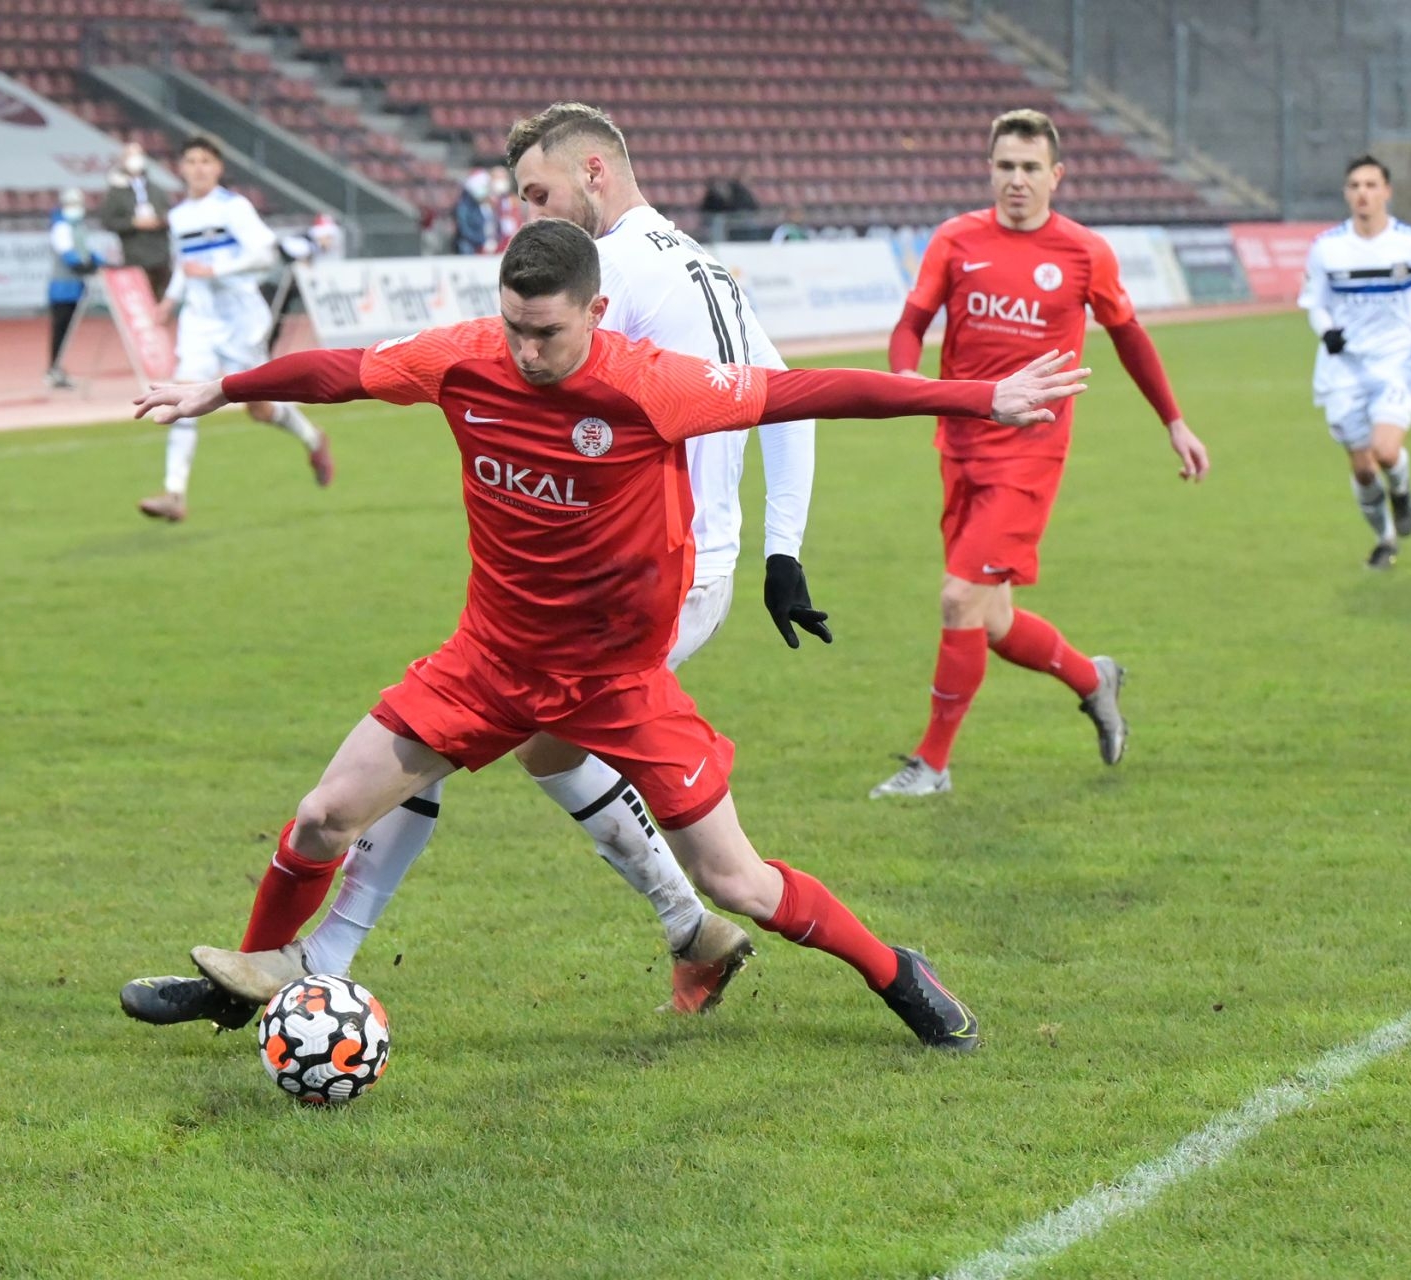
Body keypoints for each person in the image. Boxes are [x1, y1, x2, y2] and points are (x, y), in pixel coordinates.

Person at [121, 219, 1089, 1050]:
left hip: (617, 681)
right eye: (514, 325)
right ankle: (250, 978)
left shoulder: (653, 387)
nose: (526, 350)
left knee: (737, 881)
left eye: (546, 331)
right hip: (486, 663)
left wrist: (980, 397)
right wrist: (224, 387)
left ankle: (894, 970)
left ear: (596, 311)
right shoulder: (465, 357)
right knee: (324, 815)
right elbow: (344, 371)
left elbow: (817, 393)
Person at [121, 102, 830, 1029]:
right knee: (524, 745)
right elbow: (789, 397)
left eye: (537, 193)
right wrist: (782, 550)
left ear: (594, 172)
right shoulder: (697, 261)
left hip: (640, 576)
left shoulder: (603, 274)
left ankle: (299, 968)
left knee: (432, 746)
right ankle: (691, 929)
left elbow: (776, 396)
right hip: (671, 562)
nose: (527, 215)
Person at [870, 108, 1209, 800]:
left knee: (958, 598)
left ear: (1057, 175)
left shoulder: (1084, 253)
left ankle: (932, 765)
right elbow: (912, 322)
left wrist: (1174, 421)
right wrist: (906, 377)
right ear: (989, 170)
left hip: (1030, 456)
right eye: (1005, 166)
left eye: (1030, 168)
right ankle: (1094, 679)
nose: (1016, 180)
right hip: (960, 444)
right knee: (991, 620)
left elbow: (1130, 337)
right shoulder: (956, 239)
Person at [139, 135, 333, 523]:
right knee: (184, 394)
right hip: (199, 319)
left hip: (242, 320)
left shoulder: (234, 208)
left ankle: (313, 439)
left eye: (205, 161)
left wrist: (216, 270)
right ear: (181, 168)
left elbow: (263, 254)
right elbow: (185, 263)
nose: (198, 168)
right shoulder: (179, 216)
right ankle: (174, 493)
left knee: (259, 409)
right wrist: (170, 300)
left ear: (218, 168)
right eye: (191, 161)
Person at [1297, 155, 1411, 570]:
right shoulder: (1327, 247)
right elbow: (1314, 303)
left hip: (1397, 362)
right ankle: (1385, 539)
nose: (1362, 194)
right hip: (1344, 369)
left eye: (1371, 185)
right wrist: (1327, 332)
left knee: (1386, 452)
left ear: (1387, 191)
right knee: (1364, 470)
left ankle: (1401, 492)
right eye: (1355, 186)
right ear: (1346, 193)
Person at [98, 141, 171, 300]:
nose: (135, 159)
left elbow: (170, 217)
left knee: (161, 302)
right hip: (134, 257)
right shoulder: (117, 192)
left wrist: (159, 221)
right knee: (141, 302)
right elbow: (108, 221)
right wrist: (133, 223)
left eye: (138, 155)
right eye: (130, 155)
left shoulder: (157, 190)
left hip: (161, 258)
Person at [46, 187, 101, 390]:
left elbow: (87, 251)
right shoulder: (60, 227)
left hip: (75, 286)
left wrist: (98, 262)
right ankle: (53, 369)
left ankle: (57, 369)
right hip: (62, 286)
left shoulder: (79, 227)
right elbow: (69, 254)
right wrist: (86, 266)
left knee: (67, 330)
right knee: (60, 329)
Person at [455, 169, 495, 255]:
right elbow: (465, 231)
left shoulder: (489, 205)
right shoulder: (464, 207)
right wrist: (483, 241)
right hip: (471, 248)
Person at [490, 165, 523, 250]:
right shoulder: (487, 201)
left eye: (503, 178)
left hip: (511, 242)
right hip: (493, 243)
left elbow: (518, 220)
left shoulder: (514, 200)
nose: (501, 181)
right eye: (497, 178)